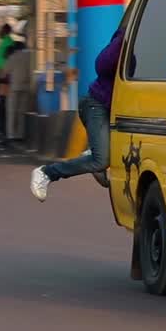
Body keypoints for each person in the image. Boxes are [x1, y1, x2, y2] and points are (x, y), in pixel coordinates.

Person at [30, 26, 124, 202]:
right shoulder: (125, 37)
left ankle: (92, 154)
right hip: (97, 105)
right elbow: (101, 65)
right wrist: (123, 45)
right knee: (100, 161)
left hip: (114, 110)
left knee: (105, 165)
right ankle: (47, 173)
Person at [1, 41, 31, 147]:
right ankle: (20, 135)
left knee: (11, 112)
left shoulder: (12, 57)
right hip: (26, 86)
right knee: (21, 112)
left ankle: (11, 136)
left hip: (14, 87)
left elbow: (4, 72)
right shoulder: (29, 57)